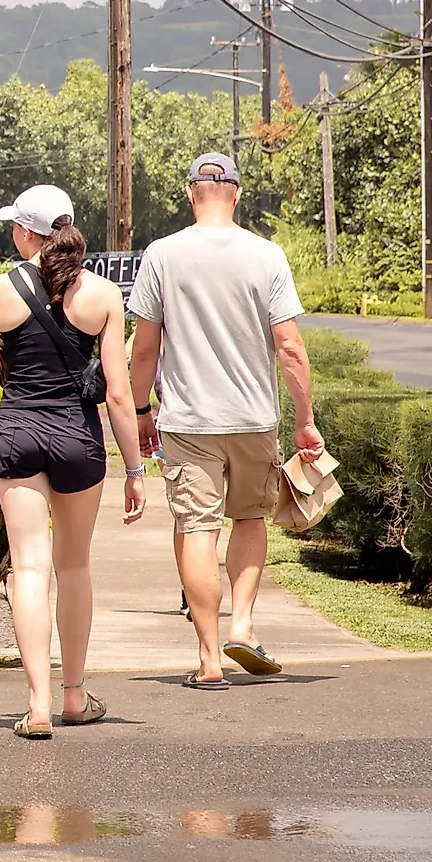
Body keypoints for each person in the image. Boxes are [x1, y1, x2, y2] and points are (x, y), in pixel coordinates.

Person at [127, 152, 323, 690]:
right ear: (235, 193)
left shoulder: (162, 255)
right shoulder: (266, 255)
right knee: (250, 520)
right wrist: (304, 420)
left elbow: (144, 350)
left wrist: (142, 411)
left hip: (189, 421)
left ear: (192, 194)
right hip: (253, 418)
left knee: (195, 528)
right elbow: (290, 347)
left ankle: (210, 658)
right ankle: (244, 623)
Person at [0, 184, 147, 739]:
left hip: (17, 432)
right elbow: (118, 392)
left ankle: (38, 705)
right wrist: (135, 469)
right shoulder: (103, 295)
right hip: (76, 438)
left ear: (25, 233)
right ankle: (75, 695)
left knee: (30, 567)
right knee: (74, 566)